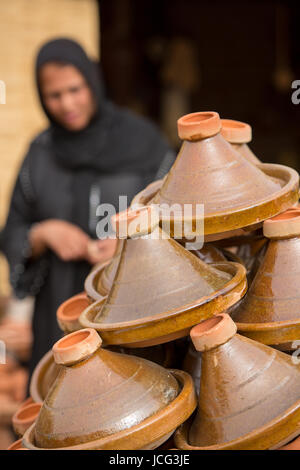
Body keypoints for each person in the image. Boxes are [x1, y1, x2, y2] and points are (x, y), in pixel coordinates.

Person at [1, 38, 174, 377]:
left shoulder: (144, 142)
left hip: (131, 314)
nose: (67, 103)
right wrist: (43, 234)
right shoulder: (40, 153)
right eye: (54, 95)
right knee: (60, 404)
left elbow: (180, 215)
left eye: (75, 89)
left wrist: (132, 243)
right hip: (58, 319)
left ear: (92, 82)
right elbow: (13, 229)